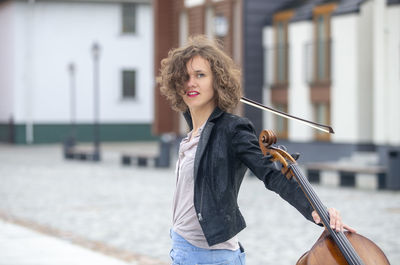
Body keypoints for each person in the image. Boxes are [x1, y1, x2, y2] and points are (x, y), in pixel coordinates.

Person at [158, 35, 355, 265]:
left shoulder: (231, 129)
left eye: (200, 75)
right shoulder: (193, 134)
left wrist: (316, 210)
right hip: (181, 249)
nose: (191, 82)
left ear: (217, 81)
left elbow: (271, 174)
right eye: (185, 77)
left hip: (210, 257)